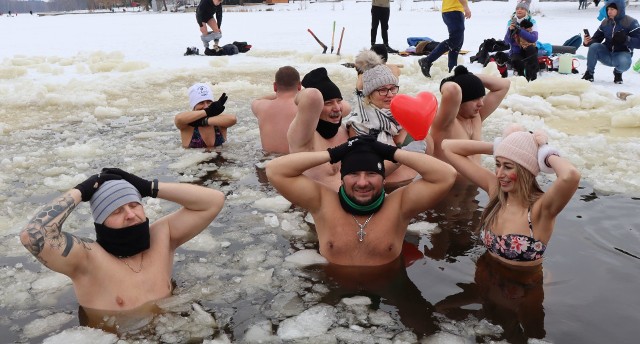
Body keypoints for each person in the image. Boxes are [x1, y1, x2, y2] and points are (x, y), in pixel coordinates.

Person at [19, 168, 225, 311]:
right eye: (116, 211)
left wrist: (148, 186)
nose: (130, 214)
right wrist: (81, 191)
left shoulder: (162, 236)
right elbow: (33, 235)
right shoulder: (87, 259)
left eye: (134, 205)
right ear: (101, 221)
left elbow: (214, 201)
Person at [266, 136, 457, 266]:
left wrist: (391, 152)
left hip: (388, 294)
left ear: (384, 179)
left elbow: (446, 175)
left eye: (372, 174)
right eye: (354, 174)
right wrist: (333, 154)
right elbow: (275, 170)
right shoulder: (323, 203)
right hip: (333, 294)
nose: (363, 182)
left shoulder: (399, 206)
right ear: (342, 179)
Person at [442, 124, 581, 266]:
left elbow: (570, 175)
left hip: (523, 286)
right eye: (497, 164)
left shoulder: (541, 208)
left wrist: (546, 154)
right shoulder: (497, 193)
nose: (499, 173)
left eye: (508, 167)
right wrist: (500, 145)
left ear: (525, 171)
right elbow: (448, 147)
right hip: (484, 281)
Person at [346, 53, 426, 189]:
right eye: (382, 90)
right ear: (369, 94)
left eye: (393, 89)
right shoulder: (360, 123)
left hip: (409, 182)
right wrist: (404, 154)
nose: (390, 94)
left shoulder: (394, 115)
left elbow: (400, 142)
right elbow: (369, 171)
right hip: (386, 188)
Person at [428, 66, 510, 165]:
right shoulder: (445, 122)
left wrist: (470, 77)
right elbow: (452, 89)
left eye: (481, 98)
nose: (481, 104)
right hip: (447, 180)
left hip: (475, 179)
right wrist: (449, 81)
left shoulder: (476, 117)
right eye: (474, 99)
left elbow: (504, 85)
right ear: (460, 101)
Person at [287, 67, 351, 191]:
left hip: (353, 203)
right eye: (328, 103)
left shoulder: (341, 128)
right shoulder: (304, 136)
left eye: (339, 101)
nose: (337, 108)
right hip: (319, 207)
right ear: (317, 108)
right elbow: (312, 96)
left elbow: (345, 107)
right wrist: (297, 95)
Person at [582, 0, 640, 84]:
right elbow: (596, 39)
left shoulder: (631, 22)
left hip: (622, 55)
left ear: (619, 9)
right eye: (608, 9)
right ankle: (589, 74)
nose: (609, 12)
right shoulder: (605, 22)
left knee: (624, 62)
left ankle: (618, 72)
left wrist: (626, 39)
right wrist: (587, 42)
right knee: (594, 46)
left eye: (612, 9)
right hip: (606, 53)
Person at [251, 66, 302, 154]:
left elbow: (257, 99)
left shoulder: (261, 106)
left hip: (267, 163)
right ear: (299, 86)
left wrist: (278, 94)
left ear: (275, 86)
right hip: (296, 163)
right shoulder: (305, 108)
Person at [418, 0, 472, 78]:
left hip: (451, 11)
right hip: (453, 10)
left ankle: (452, 71)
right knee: (455, 41)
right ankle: (427, 60)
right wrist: (466, 7)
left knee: (457, 44)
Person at [174, 82, 237, 149]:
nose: (206, 106)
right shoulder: (187, 124)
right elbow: (179, 119)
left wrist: (204, 121)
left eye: (209, 102)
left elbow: (233, 119)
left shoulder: (218, 121)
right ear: (194, 105)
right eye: (201, 103)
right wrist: (207, 111)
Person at [504, 1, 539, 81]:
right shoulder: (510, 22)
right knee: (517, 61)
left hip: (528, 49)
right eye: (517, 9)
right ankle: (522, 79)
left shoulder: (532, 22)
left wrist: (520, 31)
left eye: (522, 9)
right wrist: (510, 30)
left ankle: (533, 77)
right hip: (516, 51)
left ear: (526, 11)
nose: (519, 10)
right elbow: (507, 41)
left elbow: (533, 38)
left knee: (532, 51)